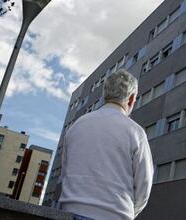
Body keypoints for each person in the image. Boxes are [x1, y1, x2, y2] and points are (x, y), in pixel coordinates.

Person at [59, 69, 154, 220]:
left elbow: (65, 173)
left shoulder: (77, 126)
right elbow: (144, 185)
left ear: (105, 94)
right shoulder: (135, 132)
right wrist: (127, 213)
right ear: (131, 99)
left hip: (68, 212)